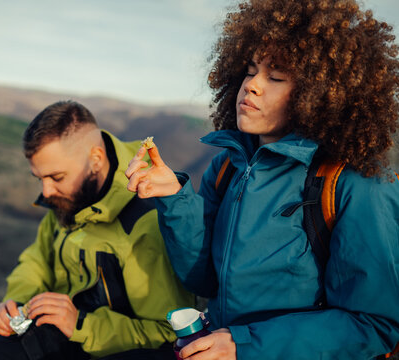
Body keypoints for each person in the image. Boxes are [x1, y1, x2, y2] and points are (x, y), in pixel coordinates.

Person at [126, 0, 399, 359]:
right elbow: (205, 280)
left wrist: (245, 344)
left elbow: (373, 325)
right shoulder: (227, 167)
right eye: (251, 69)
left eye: (276, 77)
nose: (251, 85)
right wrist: (175, 198)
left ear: (320, 94)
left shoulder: (353, 182)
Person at [0, 100, 194, 360]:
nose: (46, 192)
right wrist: (15, 304)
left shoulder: (144, 219)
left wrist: (80, 325)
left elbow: (167, 334)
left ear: (95, 159)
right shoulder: (71, 196)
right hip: (63, 327)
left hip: (104, 344)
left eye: (56, 177)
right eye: (40, 179)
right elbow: (37, 259)